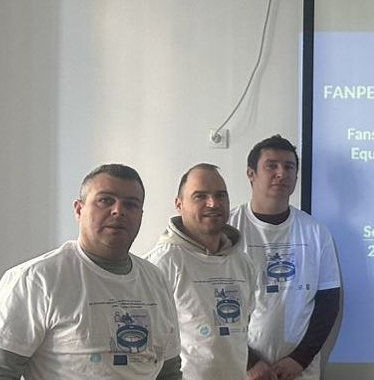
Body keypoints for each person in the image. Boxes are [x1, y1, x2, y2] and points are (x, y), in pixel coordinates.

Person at [0, 164, 182, 379]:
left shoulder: (156, 281)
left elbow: (169, 372)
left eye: (131, 204)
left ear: (140, 215)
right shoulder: (36, 280)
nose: (119, 211)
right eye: (105, 200)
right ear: (79, 210)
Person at [229, 135, 341, 380]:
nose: (281, 173)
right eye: (271, 166)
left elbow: (328, 303)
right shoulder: (228, 229)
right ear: (251, 173)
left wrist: (300, 359)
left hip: (298, 370)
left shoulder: (315, 231)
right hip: (239, 367)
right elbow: (209, 304)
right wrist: (249, 361)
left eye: (289, 167)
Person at [145, 164, 257, 379]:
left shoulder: (242, 263)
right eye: (200, 196)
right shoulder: (163, 263)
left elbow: (242, 330)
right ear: (179, 204)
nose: (213, 203)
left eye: (220, 195)